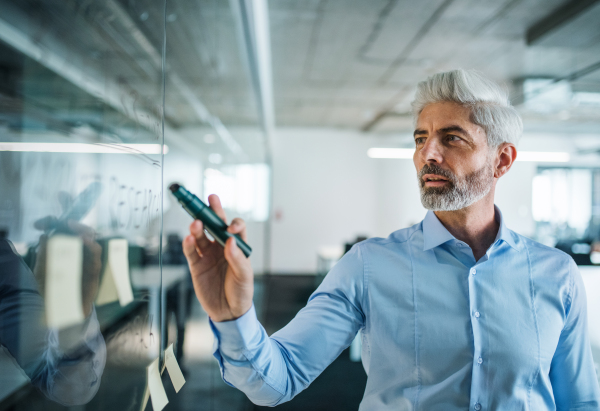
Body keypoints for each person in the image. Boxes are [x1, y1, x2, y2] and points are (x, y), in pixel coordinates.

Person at [182, 69, 600, 410]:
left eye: (451, 138)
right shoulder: (367, 266)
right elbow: (277, 380)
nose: (427, 154)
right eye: (420, 138)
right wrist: (233, 315)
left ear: (502, 160)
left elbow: (580, 401)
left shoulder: (556, 274)